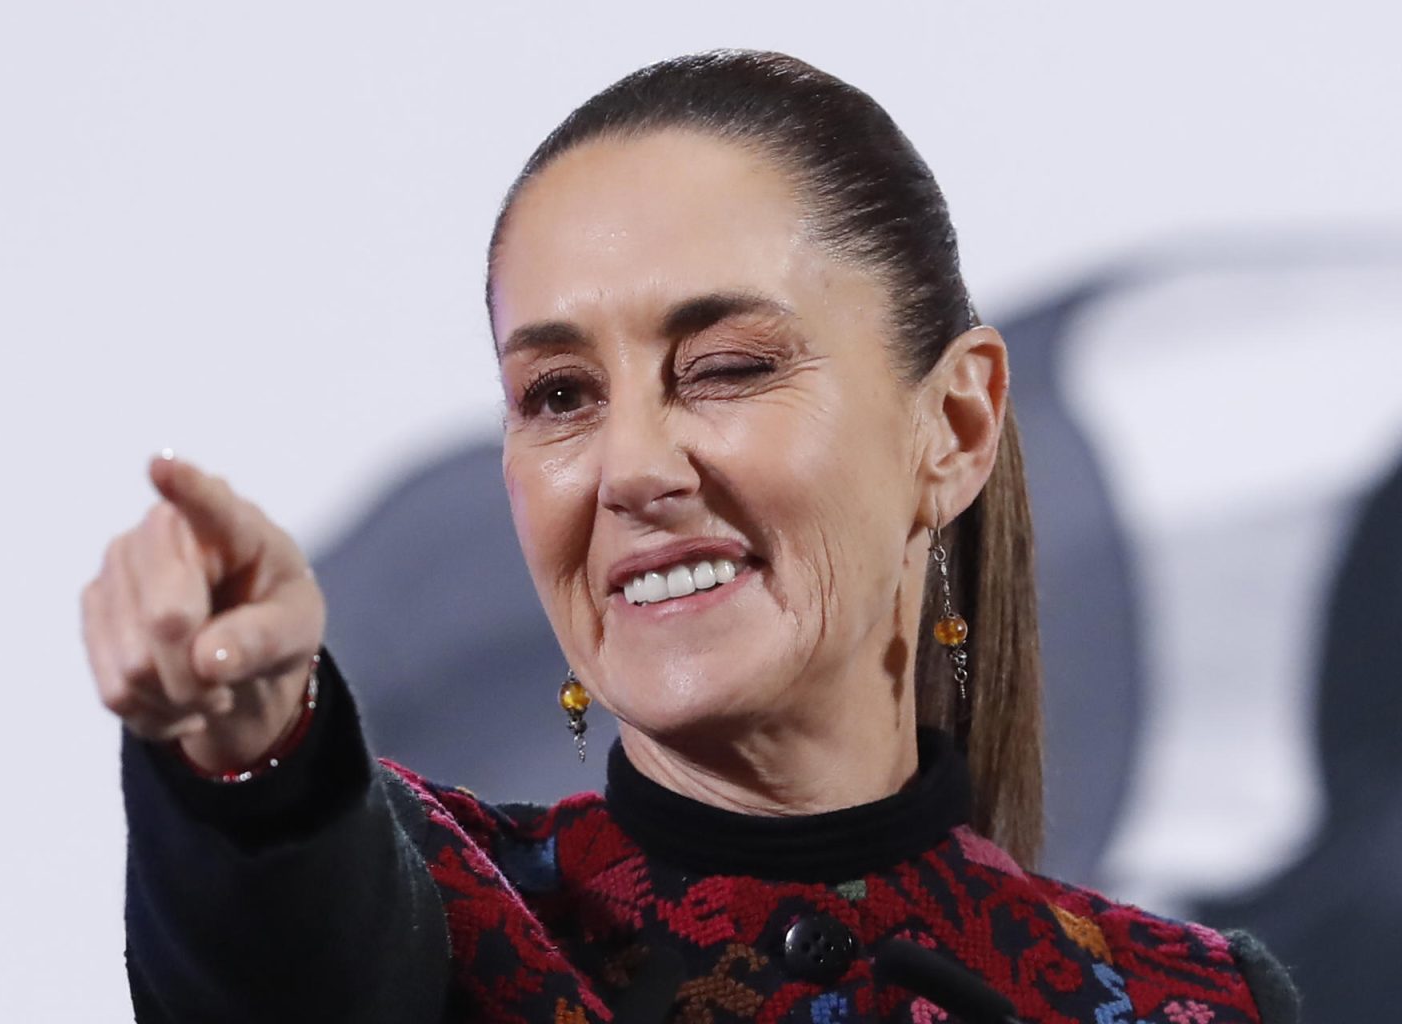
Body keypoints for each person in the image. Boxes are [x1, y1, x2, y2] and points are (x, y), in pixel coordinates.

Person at [85, 50, 1300, 1023]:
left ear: (955, 423)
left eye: (723, 369)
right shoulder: (441, 920)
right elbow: (285, 957)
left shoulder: (1192, 1002)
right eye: (560, 395)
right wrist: (254, 750)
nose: (633, 468)